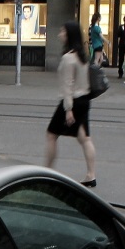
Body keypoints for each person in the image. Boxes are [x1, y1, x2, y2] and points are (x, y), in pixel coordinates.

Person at [44, 21, 97, 188]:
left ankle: (47, 171)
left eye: (62, 31)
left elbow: (67, 85)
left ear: (69, 35)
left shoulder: (68, 58)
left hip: (72, 102)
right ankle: (91, 175)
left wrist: (68, 109)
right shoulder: (82, 56)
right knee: (84, 138)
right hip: (84, 100)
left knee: (51, 135)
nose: (59, 34)